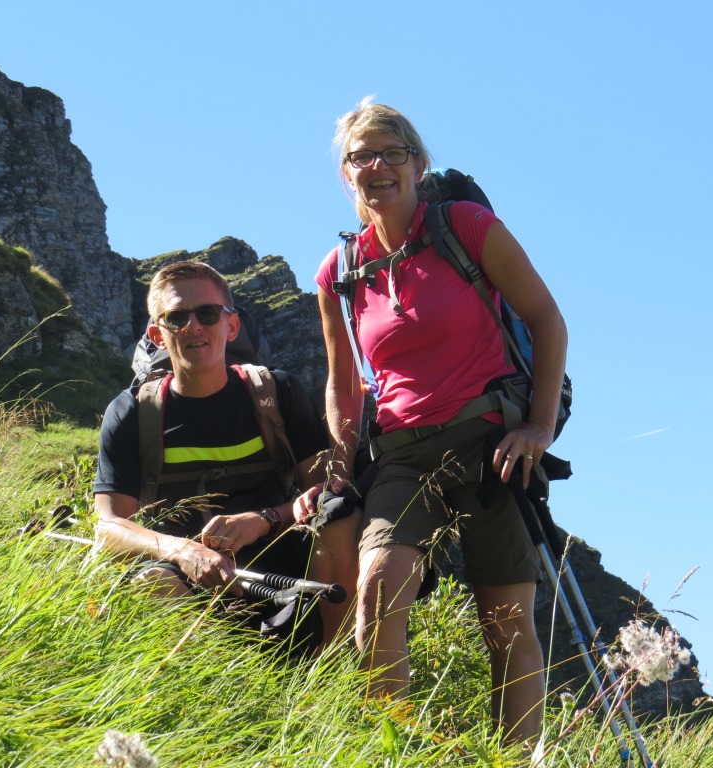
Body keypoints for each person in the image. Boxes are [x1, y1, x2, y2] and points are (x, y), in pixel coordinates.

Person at [296, 98, 568, 744]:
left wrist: (538, 427)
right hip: (401, 454)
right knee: (376, 588)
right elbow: (343, 382)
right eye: (361, 157)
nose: (377, 167)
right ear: (345, 174)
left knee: (506, 621)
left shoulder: (466, 227)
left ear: (418, 164)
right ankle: (395, 749)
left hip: (492, 443)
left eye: (392, 153)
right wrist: (340, 458)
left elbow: (546, 319)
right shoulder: (338, 272)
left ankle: (513, 759)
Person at [94, 261, 357, 648]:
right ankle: (223, 675)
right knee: (151, 582)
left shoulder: (278, 393)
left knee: (341, 516)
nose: (194, 326)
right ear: (157, 335)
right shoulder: (132, 412)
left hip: (284, 569)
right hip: (185, 579)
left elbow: (323, 496)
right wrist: (183, 551)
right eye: (177, 317)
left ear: (231, 326)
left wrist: (265, 520)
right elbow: (110, 527)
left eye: (207, 313)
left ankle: (332, 663)